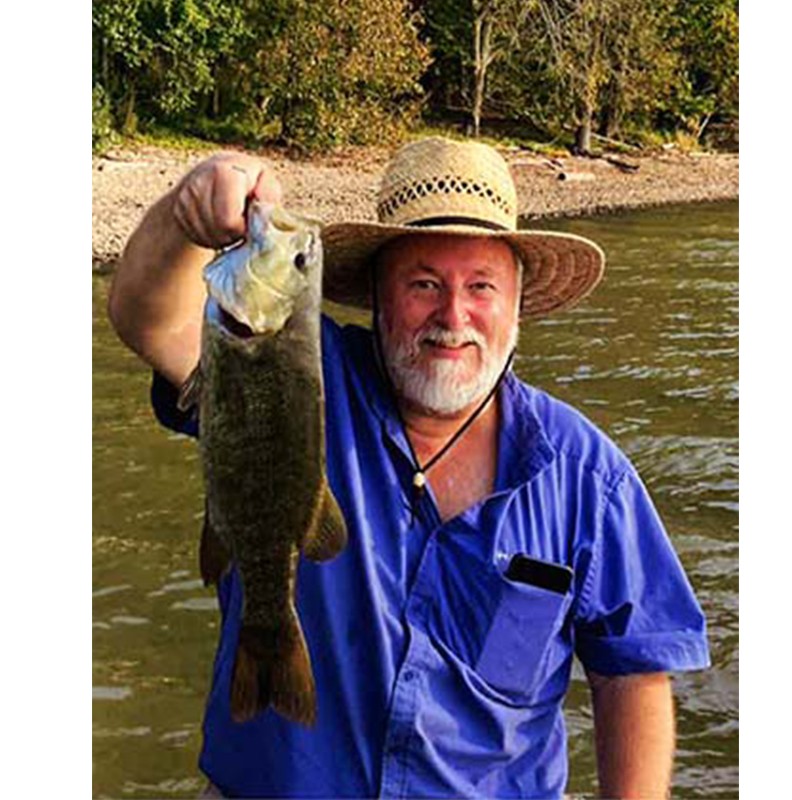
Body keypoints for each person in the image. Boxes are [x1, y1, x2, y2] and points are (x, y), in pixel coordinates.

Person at [108, 137, 710, 799]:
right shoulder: (294, 371)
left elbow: (635, 672)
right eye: (424, 284)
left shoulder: (590, 479)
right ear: (378, 298)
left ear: (516, 306)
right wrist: (181, 216)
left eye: (481, 287)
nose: (453, 318)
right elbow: (149, 319)